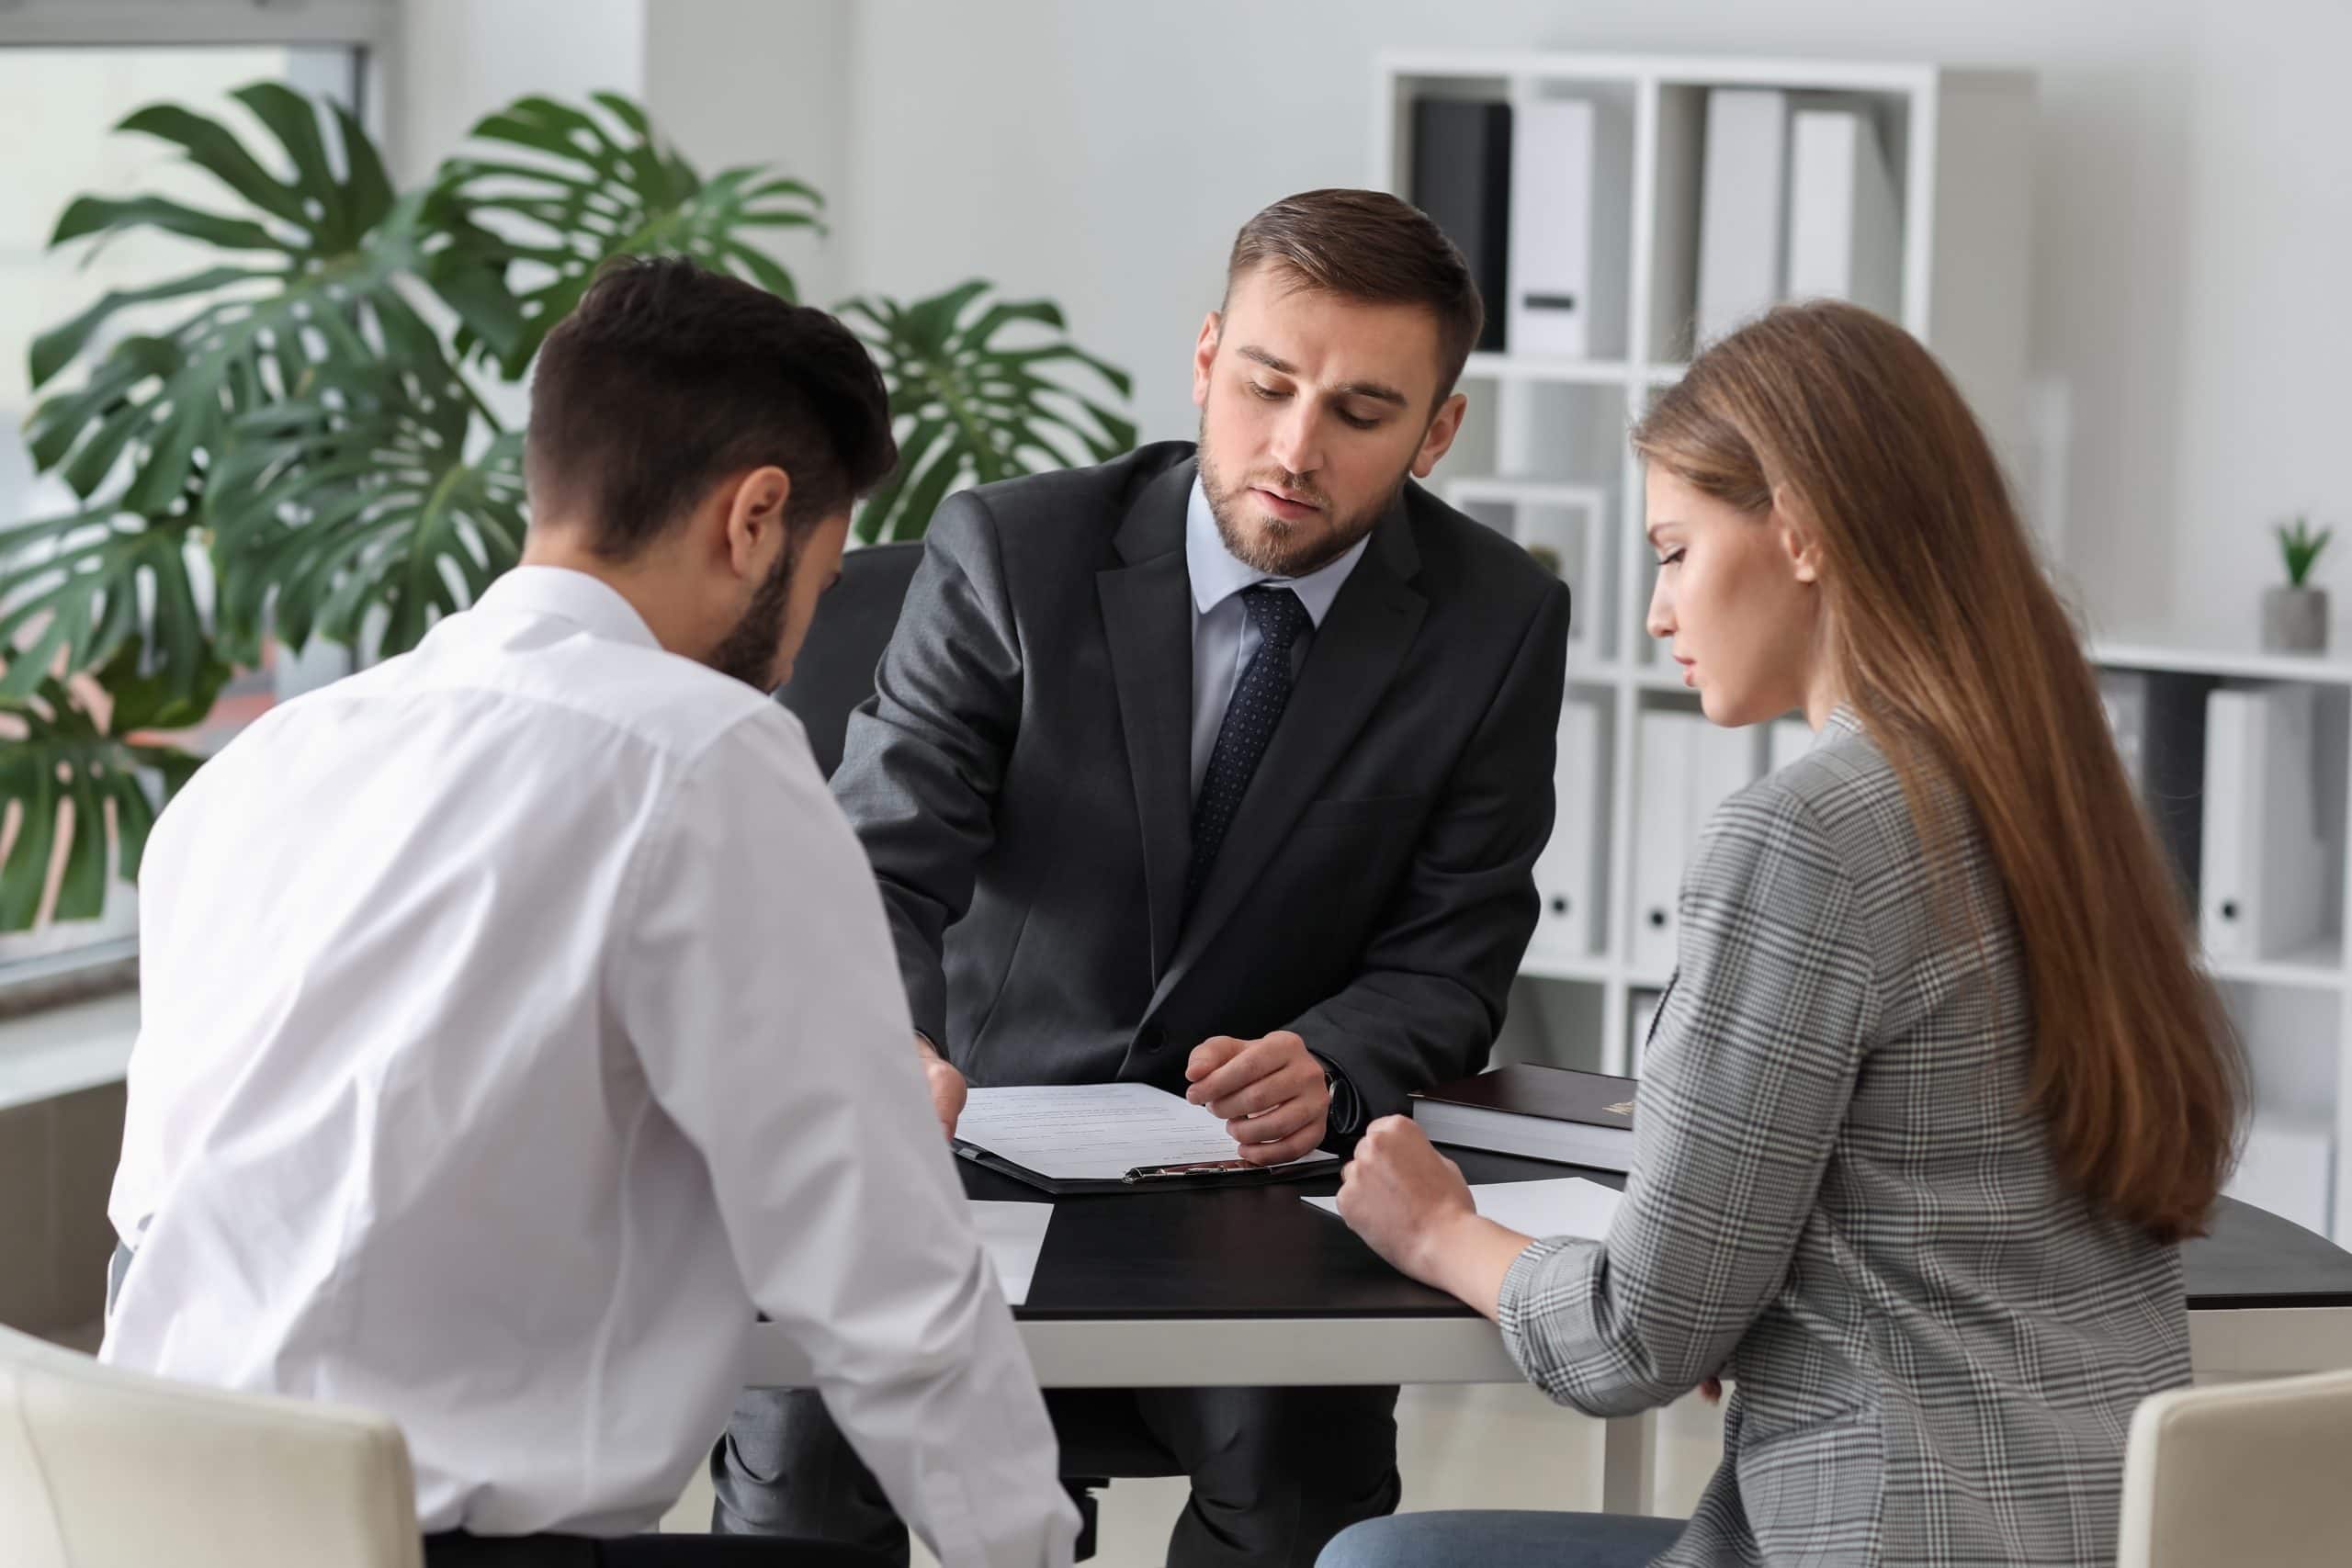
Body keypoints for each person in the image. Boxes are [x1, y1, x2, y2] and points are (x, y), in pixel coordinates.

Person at [101, 257, 1080, 1568]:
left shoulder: (261, 771)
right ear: (756, 519)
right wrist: (1026, 1551)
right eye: (827, 578)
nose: (801, 638)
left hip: (140, 1518)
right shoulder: (705, 753)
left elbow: (157, 1216)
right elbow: (885, 1273)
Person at [713, 189, 1574, 1568]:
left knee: (1298, 1482)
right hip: (962, 1149)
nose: (1293, 449)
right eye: (1267, 385)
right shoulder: (1013, 551)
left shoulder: (1495, 621)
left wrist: (1337, 1056)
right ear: (1205, 358)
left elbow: (1455, 952)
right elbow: (876, 866)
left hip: (1251, 1193)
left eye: (1359, 413)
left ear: (1438, 431)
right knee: (802, 1455)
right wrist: (898, 1045)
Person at [1320, 299, 2246, 1568]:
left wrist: (1441, 1230)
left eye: (1675, 550)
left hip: (1879, 1541)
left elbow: (1635, 1339)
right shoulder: (2061, 799)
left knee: (1383, 1560)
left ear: (1799, 530)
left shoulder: (1808, 835)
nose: (1656, 612)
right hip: (2099, 1531)